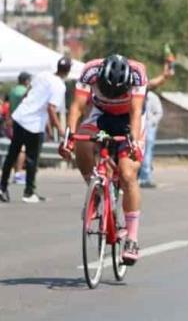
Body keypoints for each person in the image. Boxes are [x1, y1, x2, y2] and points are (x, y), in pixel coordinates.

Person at [60, 54, 147, 264]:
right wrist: (68, 138)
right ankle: (96, 189)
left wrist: (134, 143)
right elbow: (77, 107)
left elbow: (135, 112)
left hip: (128, 119)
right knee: (81, 142)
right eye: (107, 90)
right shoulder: (90, 70)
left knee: (127, 174)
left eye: (118, 91)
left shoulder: (137, 73)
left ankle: (132, 239)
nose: (113, 95)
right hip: (101, 114)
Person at [1, 59, 70, 203]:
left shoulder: (43, 74)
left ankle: (2, 187)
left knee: (12, 154)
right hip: (34, 125)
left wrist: (21, 111)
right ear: (68, 72)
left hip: (21, 117)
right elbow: (51, 108)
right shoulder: (60, 86)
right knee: (32, 159)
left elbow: (27, 94)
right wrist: (61, 131)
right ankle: (29, 192)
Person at [138, 65, 174, 188]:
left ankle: (145, 178)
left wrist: (151, 123)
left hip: (148, 128)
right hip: (136, 127)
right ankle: (138, 176)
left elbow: (158, 113)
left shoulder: (152, 98)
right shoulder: (135, 95)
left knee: (147, 153)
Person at [6, 72, 31, 183]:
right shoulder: (24, 91)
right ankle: (18, 173)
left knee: (15, 148)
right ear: (26, 81)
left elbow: (10, 106)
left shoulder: (13, 90)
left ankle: (14, 172)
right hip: (23, 121)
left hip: (13, 120)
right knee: (22, 149)